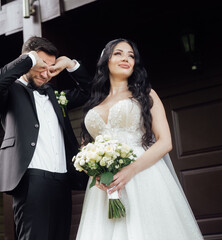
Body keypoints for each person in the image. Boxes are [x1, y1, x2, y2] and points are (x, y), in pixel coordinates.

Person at [76, 38, 204, 240]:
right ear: (105, 61)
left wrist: (130, 170)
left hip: (141, 175)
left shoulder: (145, 94)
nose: (126, 58)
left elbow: (165, 142)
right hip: (104, 187)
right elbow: (85, 149)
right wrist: (95, 171)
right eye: (118, 53)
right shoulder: (94, 102)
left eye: (131, 55)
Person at [0, 36, 90, 240]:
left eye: (50, 67)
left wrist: (69, 64)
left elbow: (88, 91)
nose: (46, 73)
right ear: (26, 59)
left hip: (62, 181)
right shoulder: (8, 92)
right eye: (40, 65)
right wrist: (29, 59)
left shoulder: (54, 94)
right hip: (32, 182)